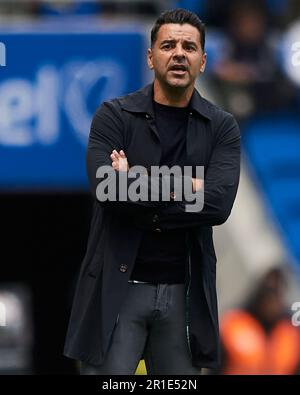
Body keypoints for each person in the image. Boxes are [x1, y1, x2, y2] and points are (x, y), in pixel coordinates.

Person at [63, 8, 241, 375]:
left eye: (189, 47)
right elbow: (107, 189)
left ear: (203, 61)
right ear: (151, 57)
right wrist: (190, 185)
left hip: (184, 297)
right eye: (168, 45)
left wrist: (136, 181)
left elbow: (219, 204)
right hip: (118, 291)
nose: (179, 53)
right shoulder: (113, 116)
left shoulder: (222, 127)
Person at [219, 267, 300, 375]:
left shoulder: (291, 338)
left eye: (277, 294)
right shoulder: (234, 324)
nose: (271, 302)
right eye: (269, 292)